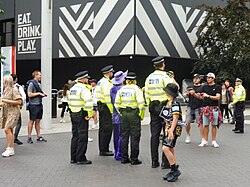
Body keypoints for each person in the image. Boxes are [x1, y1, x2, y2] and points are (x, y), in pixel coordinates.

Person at [144, 56, 173, 169]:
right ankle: (165, 162)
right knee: (166, 133)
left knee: (154, 135)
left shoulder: (149, 78)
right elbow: (172, 89)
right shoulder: (165, 76)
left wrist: (149, 104)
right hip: (164, 107)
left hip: (153, 107)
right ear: (163, 64)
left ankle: (154, 161)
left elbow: (146, 94)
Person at [115, 72, 145, 165]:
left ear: (126, 80)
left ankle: (124, 158)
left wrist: (121, 112)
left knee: (124, 136)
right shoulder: (137, 89)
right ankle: (134, 159)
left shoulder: (121, 89)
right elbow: (141, 104)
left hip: (124, 114)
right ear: (134, 80)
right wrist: (141, 115)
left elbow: (116, 103)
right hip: (134, 114)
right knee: (135, 137)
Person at [67, 71, 93, 165]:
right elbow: (88, 103)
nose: (87, 80)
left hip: (73, 113)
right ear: (82, 79)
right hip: (82, 114)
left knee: (75, 136)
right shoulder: (84, 89)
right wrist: (89, 114)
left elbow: (69, 102)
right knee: (83, 136)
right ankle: (81, 157)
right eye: (86, 78)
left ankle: (73, 157)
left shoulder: (72, 89)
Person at [161, 83, 183, 182]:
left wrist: (171, 131)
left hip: (174, 128)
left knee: (165, 148)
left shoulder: (175, 103)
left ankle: (174, 169)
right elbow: (167, 117)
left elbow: (175, 117)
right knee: (171, 148)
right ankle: (172, 168)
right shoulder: (169, 102)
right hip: (169, 127)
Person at [197, 72, 222, 148]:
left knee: (214, 125)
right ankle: (205, 140)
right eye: (207, 77)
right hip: (205, 108)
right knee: (205, 125)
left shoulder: (217, 87)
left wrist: (208, 96)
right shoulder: (204, 87)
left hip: (214, 107)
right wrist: (195, 94)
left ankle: (214, 141)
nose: (208, 79)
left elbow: (218, 97)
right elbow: (200, 96)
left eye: (210, 78)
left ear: (213, 78)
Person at [0, 75, 22, 157]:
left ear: (6, 81)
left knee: (7, 129)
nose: (2, 82)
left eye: (3, 80)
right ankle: (10, 147)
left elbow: (19, 102)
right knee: (10, 129)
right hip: (6, 112)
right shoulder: (5, 90)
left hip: (13, 112)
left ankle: (10, 148)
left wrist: (5, 100)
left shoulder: (14, 90)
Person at [95, 65, 114, 156]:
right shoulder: (106, 83)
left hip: (101, 106)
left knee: (102, 128)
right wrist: (111, 110)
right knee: (107, 128)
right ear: (109, 73)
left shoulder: (100, 81)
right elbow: (108, 98)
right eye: (112, 72)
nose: (112, 74)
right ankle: (104, 149)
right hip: (105, 107)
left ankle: (102, 148)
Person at [110, 70, 127, 161]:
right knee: (122, 135)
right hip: (121, 114)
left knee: (116, 135)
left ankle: (116, 152)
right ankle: (120, 153)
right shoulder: (123, 89)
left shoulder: (112, 89)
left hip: (114, 114)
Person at [27, 70, 47, 144]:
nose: (40, 76)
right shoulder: (31, 84)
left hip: (39, 104)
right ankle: (29, 137)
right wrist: (38, 93)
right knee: (31, 121)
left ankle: (39, 136)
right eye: (39, 75)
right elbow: (29, 94)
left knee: (38, 121)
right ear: (35, 75)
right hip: (33, 105)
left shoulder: (39, 84)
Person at [183, 74, 203, 144]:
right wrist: (187, 94)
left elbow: (201, 97)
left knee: (200, 123)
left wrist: (194, 94)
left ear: (199, 79)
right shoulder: (190, 87)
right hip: (190, 106)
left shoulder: (202, 87)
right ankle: (188, 135)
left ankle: (203, 138)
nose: (195, 80)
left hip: (199, 106)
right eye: (194, 78)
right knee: (187, 122)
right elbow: (184, 95)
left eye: (197, 78)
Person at [11, 74, 26, 145]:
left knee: (9, 124)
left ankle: (10, 137)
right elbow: (23, 97)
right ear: (16, 79)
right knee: (18, 123)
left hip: (8, 107)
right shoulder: (18, 87)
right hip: (16, 107)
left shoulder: (7, 87)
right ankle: (15, 137)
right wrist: (21, 104)